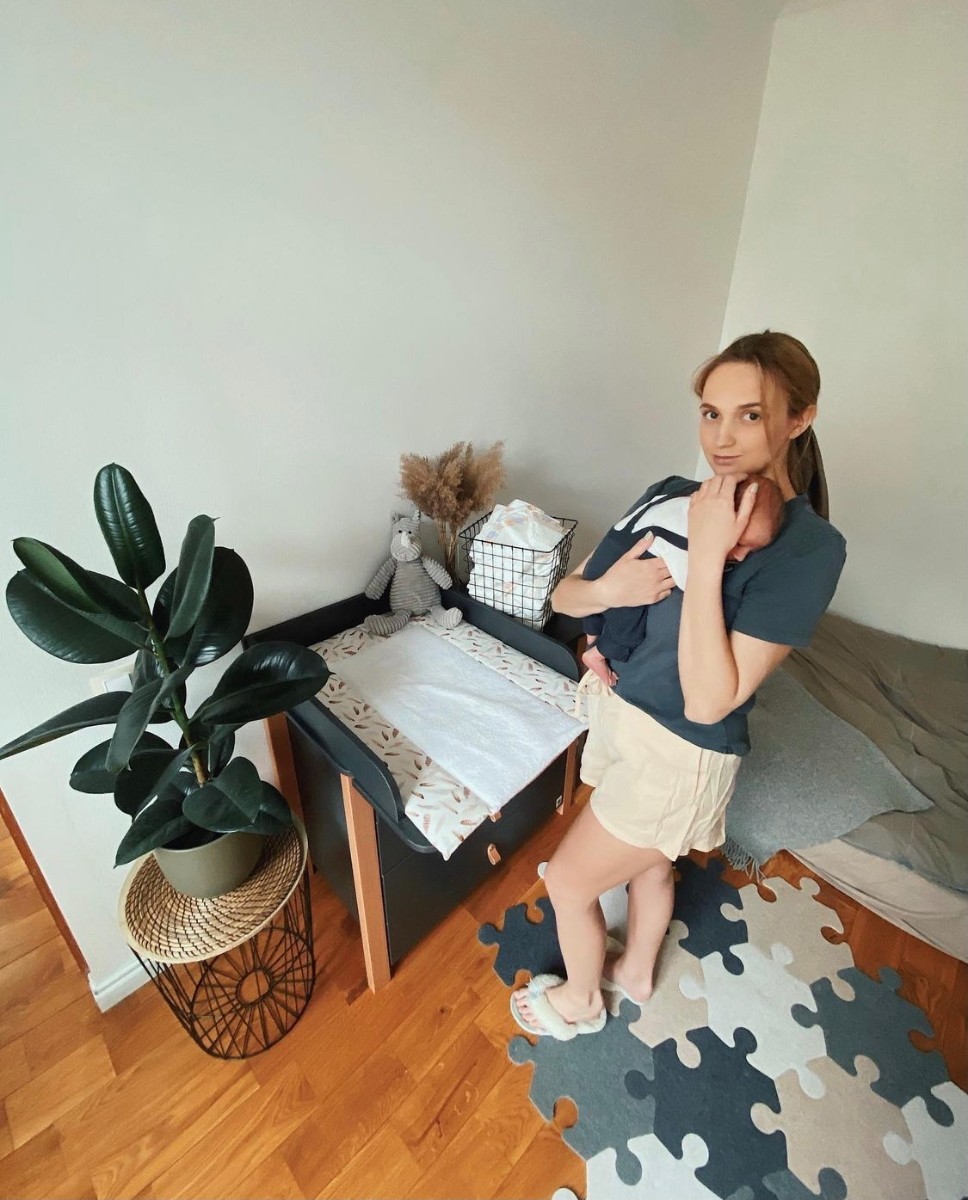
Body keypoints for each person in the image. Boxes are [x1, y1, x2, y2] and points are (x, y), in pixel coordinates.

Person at [510, 330, 846, 1040]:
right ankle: (634, 972)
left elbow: (710, 698)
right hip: (620, 713)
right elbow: (565, 596)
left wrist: (712, 550)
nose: (721, 438)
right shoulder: (668, 494)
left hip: (680, 750)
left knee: (567, 882)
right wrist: (609, 590)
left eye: (750, 415)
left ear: (800, 419)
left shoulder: (808, 548)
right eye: (710, 413)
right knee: (651, 865)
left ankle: (580, 1003)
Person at [581, 475, 785, 687]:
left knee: (593, 612)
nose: (742, 557)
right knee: (629, 631)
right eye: (739, 543)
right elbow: (694, 586)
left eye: (752, 550)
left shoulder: (684, 501)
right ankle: (596, 653)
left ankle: (591, 638)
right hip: (616, 573)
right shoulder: (687, 537)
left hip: (602, 558)